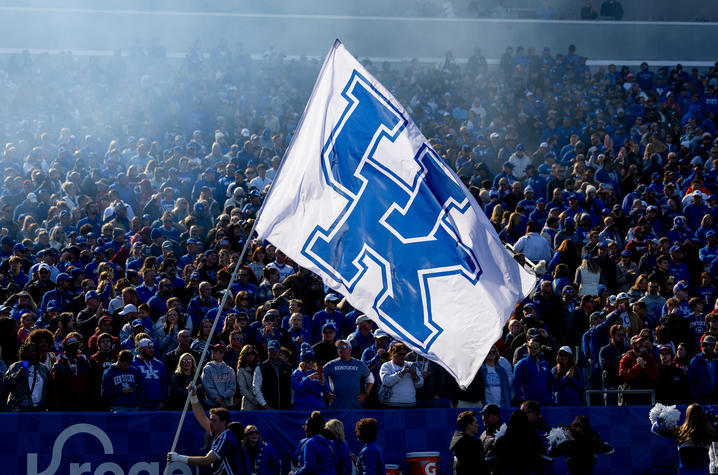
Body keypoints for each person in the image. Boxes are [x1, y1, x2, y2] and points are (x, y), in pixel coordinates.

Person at [167, 383, 245, 474]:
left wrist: (178, 458)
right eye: (210, 420)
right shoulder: (217, 431)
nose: (210, 423)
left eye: (214, 421)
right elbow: (202, 417)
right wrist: (193, 396)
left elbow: (206, 460)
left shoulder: (226, 438)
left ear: (223, 422)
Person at [652, 403, 718, 474]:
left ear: (688, 415)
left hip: (685, 472)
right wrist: (715, 422)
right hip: (702, 472)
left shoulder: (679, 432)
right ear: (702, 416)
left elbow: (654, 430)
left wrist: (659, 421)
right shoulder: (709, 432)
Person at [549, 415, 614, 474]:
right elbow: (610, 451)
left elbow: (552, 454)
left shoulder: (567, 440)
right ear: (588, 426)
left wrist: (555, 445)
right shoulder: (593, 438)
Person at [324, 339, 374, 409]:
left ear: (350, 349)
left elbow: (371, 379)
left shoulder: (359, 364)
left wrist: (365, 394)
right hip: (335, 407)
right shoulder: (331, 364)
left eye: (344, 347)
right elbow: (319, 376)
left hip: (355, 406)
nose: (341, 349)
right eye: (339, 347)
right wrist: (325, 392)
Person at [2, 341, 50, 411]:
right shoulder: (16, 366)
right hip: (21, 409)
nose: (30, 352)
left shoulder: (43, 368)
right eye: (27, 350)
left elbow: (48, 387)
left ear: (37, 353)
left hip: (39, 409)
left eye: (33, 350)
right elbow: (5, 382)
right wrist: (18, 374)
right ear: (23, 352)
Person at [378, 342, 424, 407]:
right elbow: (387, 382)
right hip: (391, 404)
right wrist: (402, 372)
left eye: (404, 354)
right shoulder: (386, 366)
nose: (403, 356)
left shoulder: (411, 365)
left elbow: (420, 384)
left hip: (410, 403)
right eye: (400, 354)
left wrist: (414, 375)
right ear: (392, 353)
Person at [290, 411, 335, 475]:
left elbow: (309, 468)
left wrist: (293, 474)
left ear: (309, 428)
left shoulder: (310, 443)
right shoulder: (330, 443)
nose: (304, 429)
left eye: (305, 427)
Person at [618, 334, 659, 405]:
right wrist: (637, 366)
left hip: (647, 396)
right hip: (630, 396)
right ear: (632, 345)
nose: (642, 344)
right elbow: (623, 376)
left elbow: (656, 375)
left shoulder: (650, 357)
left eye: (642, 342)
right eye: (638, 342)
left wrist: (644, 367)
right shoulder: (626, 358)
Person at [253, 340, 293, 410]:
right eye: (271, 350)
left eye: (275, 349)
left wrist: (291, 402)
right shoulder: (260, 367)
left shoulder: (288, 368)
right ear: (267, 351)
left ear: (280, 350)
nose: (273, 352)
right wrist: (264, 404)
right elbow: (256, 388)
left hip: (285, 409)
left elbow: (292, 387)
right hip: (267, 410)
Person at [131, 338, 169, 410]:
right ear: (140, 349)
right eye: (149, 348)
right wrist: (135, 403)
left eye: (152, 348)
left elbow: (165, 383)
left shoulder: (160, 364)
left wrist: (163, 401)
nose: (152, 350)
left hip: (157, 405)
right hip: (140, 405)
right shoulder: (132, 364)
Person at [513, 337, 552, 405]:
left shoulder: (545, 364)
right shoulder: (521, 364)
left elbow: (549, 383)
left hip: (545, 403)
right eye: (530, 346)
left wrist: (549, 398)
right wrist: (522, 400)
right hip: (528, 405)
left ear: (540, 348)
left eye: (536, 346)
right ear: (527, 348)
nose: (533, 349)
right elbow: (516, 384)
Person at [291, 343, 327, 410]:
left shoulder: (317, 372)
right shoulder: (296, 373)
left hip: (318, 408)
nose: (311, 362)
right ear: (302, 361)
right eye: (308, 360)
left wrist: (322, 383)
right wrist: (309, 378)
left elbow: (326, 390)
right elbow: (298, 389)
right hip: (302, 409)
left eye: (312, 360)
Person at [450, 410, 487, 474]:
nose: (478, 425)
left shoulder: (459, 441)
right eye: (476, 423)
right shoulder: (472, 444)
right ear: (469, 425)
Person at [201, 343, 237, 408]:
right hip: (211, 405)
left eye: (215, 351)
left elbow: (232, 387)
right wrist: (217, 398)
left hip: (227, 405)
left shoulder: (230, 370)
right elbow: (208, 386)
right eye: (213, 351)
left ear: (222, 353)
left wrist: (223, 397)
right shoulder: (207, 369)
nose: (213, 353)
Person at [688, 334, 718, 404]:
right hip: (702, 398)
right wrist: (695, 400)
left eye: (708, 345)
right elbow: (691, 382)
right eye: (703, 344)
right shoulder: (695, 361)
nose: (705, 347)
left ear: (713, 347)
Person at [236, 345, 260, 410]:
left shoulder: (260, 367)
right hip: (248, 405)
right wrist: (255, 401)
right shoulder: (241, 370)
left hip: (262, 403)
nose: (250, 356)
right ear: (243, 356)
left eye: (252, 353)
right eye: (247, 354)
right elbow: (243, 389)